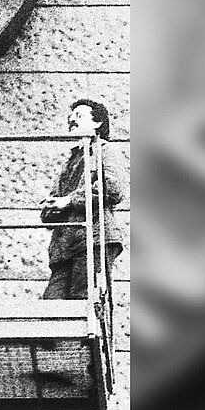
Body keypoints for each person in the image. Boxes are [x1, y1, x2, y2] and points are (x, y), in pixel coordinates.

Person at [39, 98, 124, 301]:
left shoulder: (104, 150)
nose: (71, 120)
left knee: (84, 302)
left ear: (97, 123)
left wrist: (68, 201)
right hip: (64, 247)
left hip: (93, 239)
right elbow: (55, 200)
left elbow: (113, 188)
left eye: (79, 115)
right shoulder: (71, 160)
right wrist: (50, 207)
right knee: (52, 307)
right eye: (70, 116)